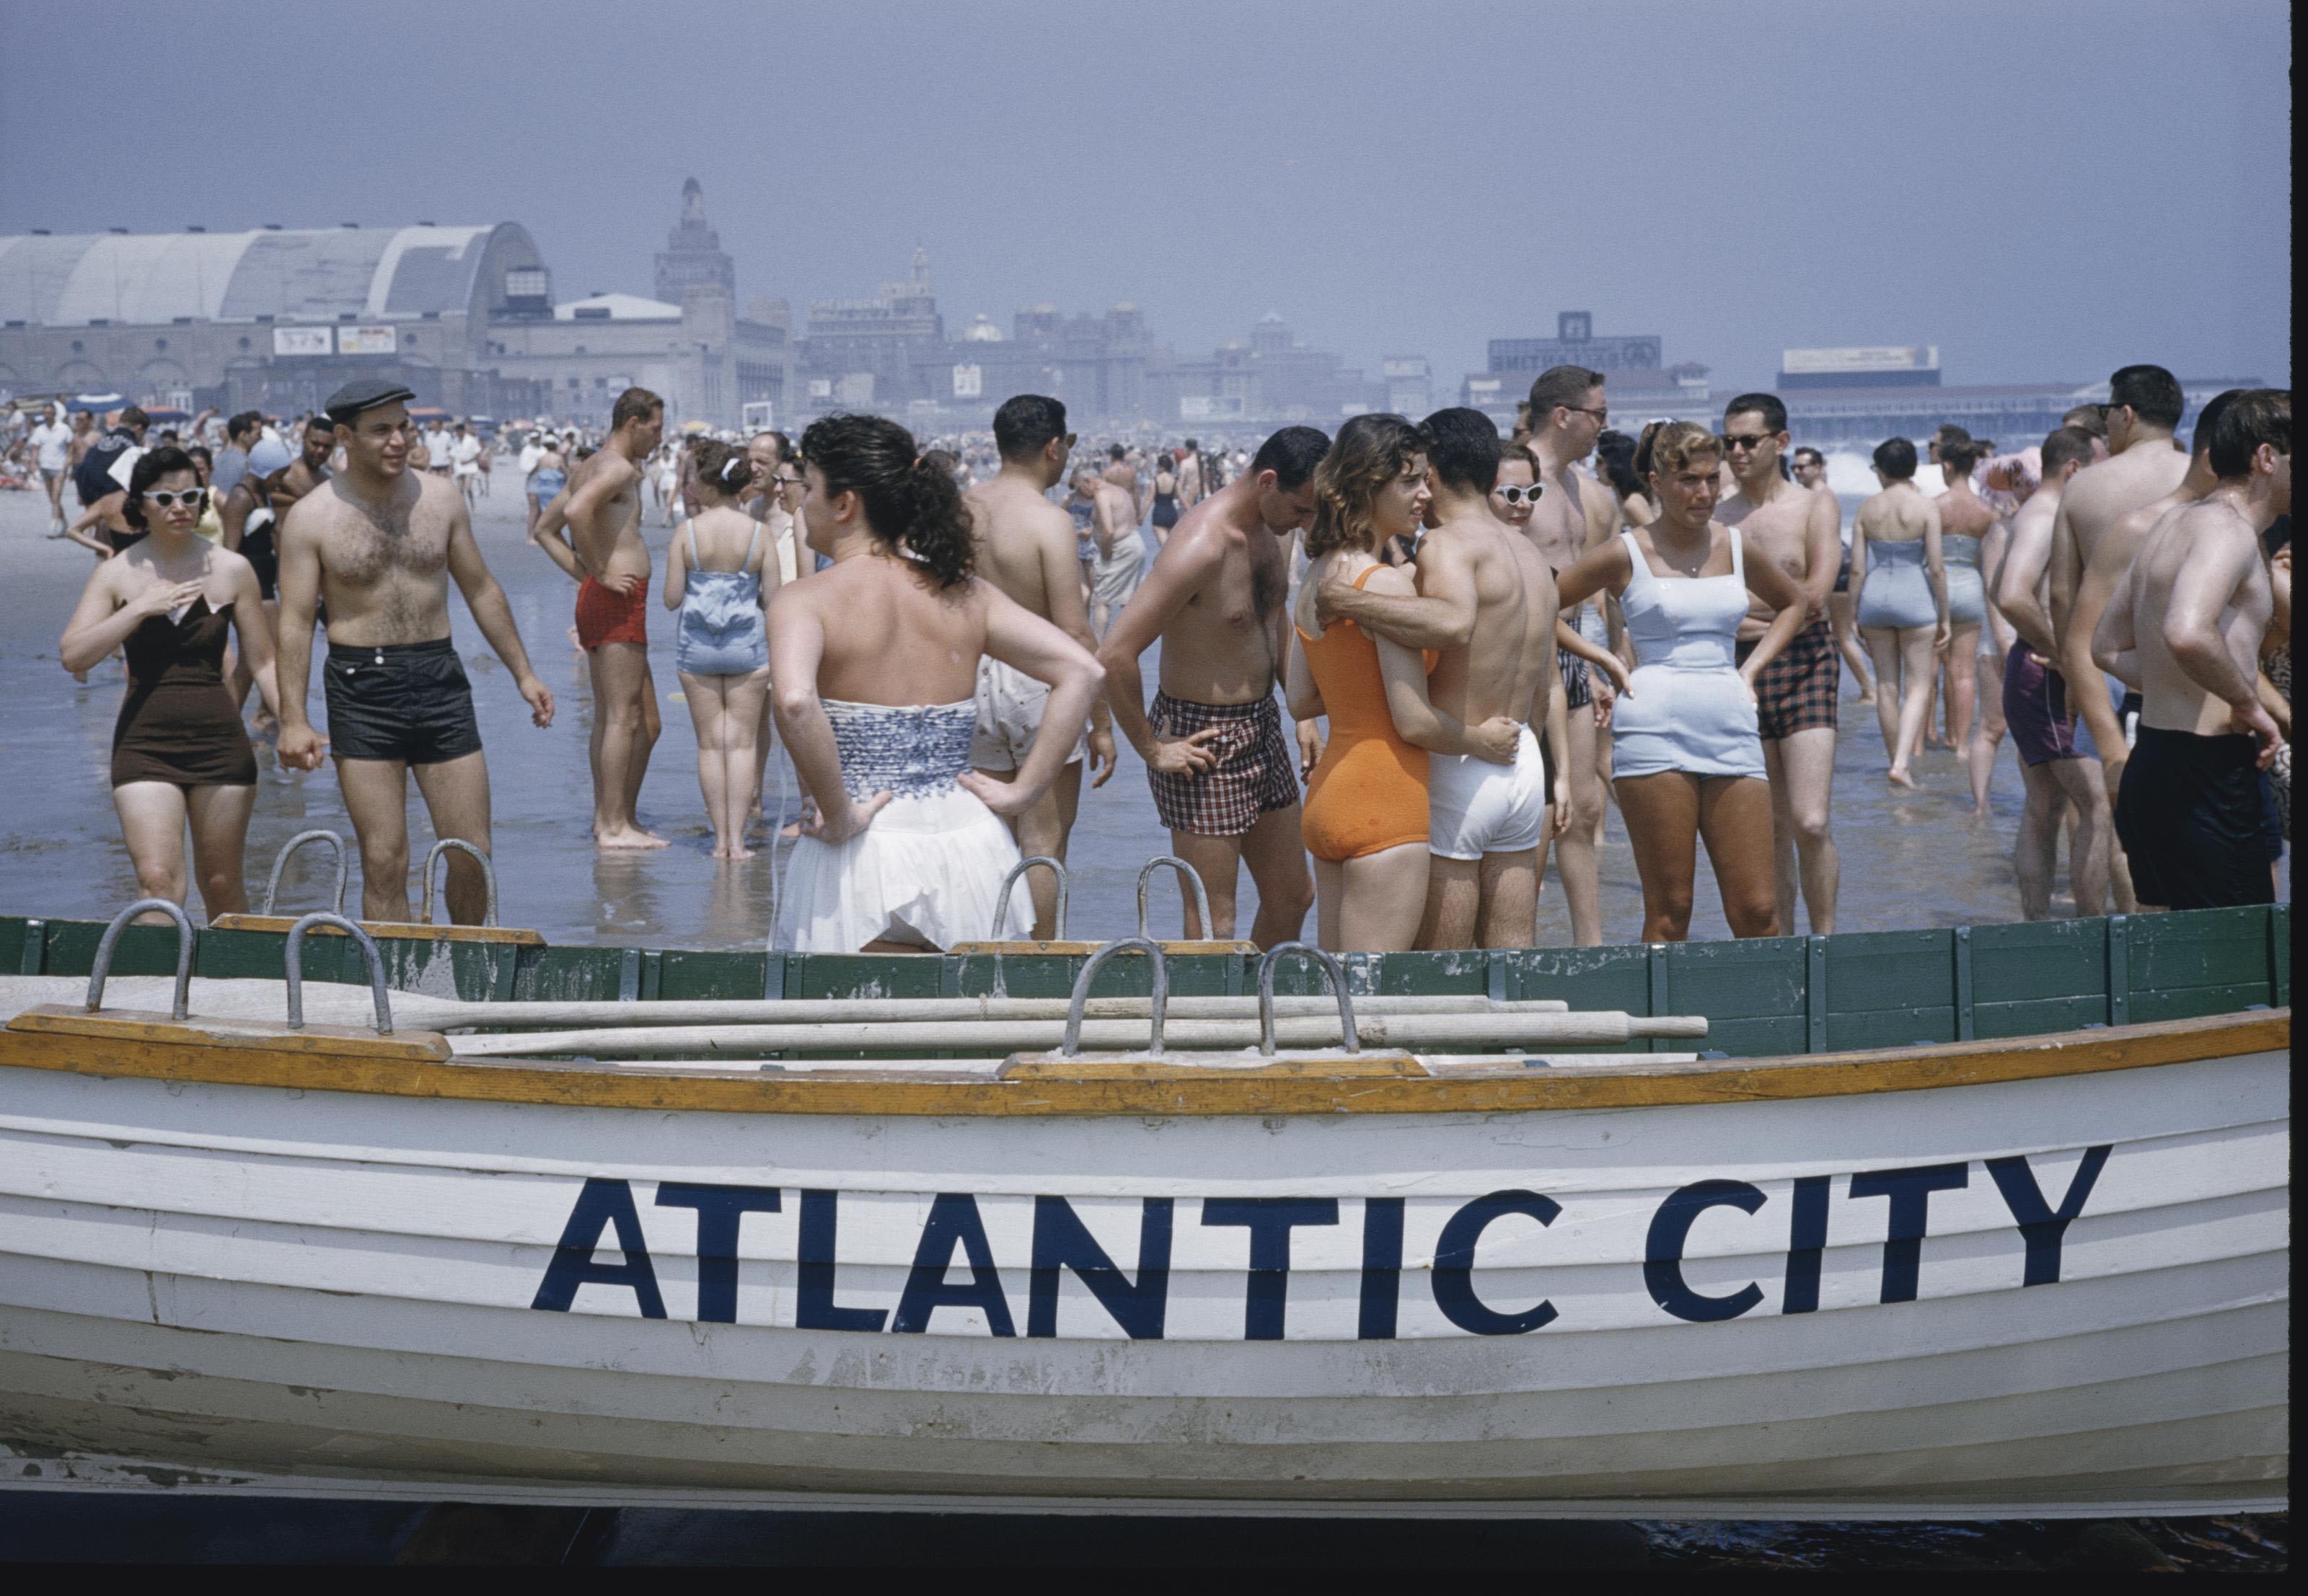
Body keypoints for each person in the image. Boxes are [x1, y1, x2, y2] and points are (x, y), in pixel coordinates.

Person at [770, 413, 1102, 953]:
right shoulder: (963, 593)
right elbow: (1083, 670)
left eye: (808, 487)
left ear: (844, 503)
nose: (800, 501)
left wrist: (839, 814)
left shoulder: (804, 600)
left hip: (860, 851)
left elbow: (794, 701)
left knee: (854, 1024)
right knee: (974, 1022)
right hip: (969, 845)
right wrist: (1024, 791)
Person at [274, 380, 555, 924]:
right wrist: (293, 718)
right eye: (381, 430)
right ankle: (394, 995)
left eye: (404, 426)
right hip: (361, 686)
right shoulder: (312, 518)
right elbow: (294, 620)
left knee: (472, 853)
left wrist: (524, 672)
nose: (398, 440)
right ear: (344, 436)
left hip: (438, 676)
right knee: (385, 859)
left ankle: (470, 976)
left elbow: (481, 588)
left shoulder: (440, 498)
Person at [1313, 410, 1557, 948]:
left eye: (1422, 475)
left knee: (1439, 961)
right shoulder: (1532, 555)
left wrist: (1344, 599)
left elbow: (1452, 622)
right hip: (1523, 758)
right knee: (1512, 946)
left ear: (1436, 473)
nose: (1420, 490)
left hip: (1461, 757)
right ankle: (1516, 1036)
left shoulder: (1445, 546)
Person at [1556, 422, 1807, 942]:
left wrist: (1751, 668)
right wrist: (1603, 657)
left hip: (1731, 719)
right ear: (1656, 480)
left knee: (1759, 910)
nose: (1705, 493)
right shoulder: (1627, 550)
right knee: (1672, 909)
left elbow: (1795, 603)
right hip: (1653, 726)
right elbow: (1539, 606)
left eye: (1713, 480)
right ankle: (1661, 1026)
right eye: (1689, 480)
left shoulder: (1736, 545)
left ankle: (1761, 1022)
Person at [1095, 426, 1326, 947]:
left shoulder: (1276, 530)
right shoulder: (1201, 545)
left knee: (1294, 894)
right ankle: (1204, 1026)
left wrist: (1302, 713)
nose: (1308, 523)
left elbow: (1275, 620)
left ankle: (1256, 1013)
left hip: (1263, 723)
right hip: (1203, 736)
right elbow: (1114, 655)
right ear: (1268, 482)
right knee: (1213, 922)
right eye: (1302, 508)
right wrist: (1152, 750)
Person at [58, 448, 280, 922]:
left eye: (190, 496)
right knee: (158, 880)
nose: (179, 507)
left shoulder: (232, 569)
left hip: (219, 743)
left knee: (221, 884)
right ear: (141, 504)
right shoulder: (117, 572)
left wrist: (296, 723)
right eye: (164, 497)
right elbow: (74, 654)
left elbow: (263, 661)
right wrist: (138, 609)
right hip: (145, 742)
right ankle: (157, 991)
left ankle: (233, 990)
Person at [2095, 389, 2289, 909]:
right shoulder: (2231, 534)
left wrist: (2177, 680)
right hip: (2206, 775)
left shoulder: (2171, 524)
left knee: (2180, 968)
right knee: (2238, 964)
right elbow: (2186, 630)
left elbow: (2108, 647)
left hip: (2154, 761)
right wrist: (2248, 704)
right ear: (2267, 458)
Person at [961, 396, 1115, 940]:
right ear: (1054, 448)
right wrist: (1101, 721)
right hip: (1039, 684)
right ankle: (1043, 964)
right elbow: (1074, 632)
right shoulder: (1048, 522)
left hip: (972, 681)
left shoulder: (961, 509)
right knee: (1044, 841)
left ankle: (986, 954)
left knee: (988, 837)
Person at [1717, 394, 1844, 934]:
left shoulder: (1815, 505)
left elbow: (1815, 594)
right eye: (1730, 442)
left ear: (1781, 442)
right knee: (1771, 827)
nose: (1738, 452)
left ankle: (1827, 939)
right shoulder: (1719, 515)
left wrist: (1753, 619)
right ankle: (1785, 945)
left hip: (1806, 660)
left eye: (1749, 441)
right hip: (1737, 667)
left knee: (1809, 821)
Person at [2050, 366, 2194, 803]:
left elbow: (2061, 596)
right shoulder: (2205, 479)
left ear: (2126, 414)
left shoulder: (2084, 487)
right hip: (2191, 666)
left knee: (2119, 822)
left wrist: (2071, 675)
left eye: (2106, 411)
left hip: (2106, 666)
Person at [1516, 367, 1622, 944]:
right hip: (1528, 662)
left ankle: (1592, 945)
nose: (1605, 426)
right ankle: (1519, 940)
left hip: (1575, 657)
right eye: (1598, 415)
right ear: (1563, 415)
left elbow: (1592, 590)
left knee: (1582, 811)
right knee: (1531, 817)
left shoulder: (1582, 488)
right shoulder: (1516, 482)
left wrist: (1595, 661)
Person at [538, 387, 669, 849]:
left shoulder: (588, 466)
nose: (660, 437)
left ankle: (617, 817)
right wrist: (598, 572)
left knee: (646, 722)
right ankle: (613, 826)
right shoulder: (615, 468)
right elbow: (573, 513)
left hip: (612, 597)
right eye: (656, 427)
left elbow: (544, 530)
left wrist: (589, 576)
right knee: (619, 718)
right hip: (617, 599)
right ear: (633, 423)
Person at [1991, 426, 2113, 917]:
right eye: (2100, 467)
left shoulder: (2031, 515)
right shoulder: (2044, 517)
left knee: (2046, 803)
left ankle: (2038, 925)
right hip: (2045, 672)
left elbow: (2003, 583)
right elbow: (2012, 595)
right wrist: (2061, 652)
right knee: (2099, 802)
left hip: (2033, 667)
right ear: (2075, 469)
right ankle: (2092, 930)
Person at [664, 438, 776, 859]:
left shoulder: (687, 533)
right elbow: (774, 599)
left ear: (708, 485)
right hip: (748, 646)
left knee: (711, 745)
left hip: (698, 648)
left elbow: (672, 598)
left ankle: (719, 842)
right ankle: (740, 842)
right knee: (742, 744)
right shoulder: (759, 533)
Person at [1852, 437, 1949, 788]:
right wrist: (1945, 615)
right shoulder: (1926, 507)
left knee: (1886, 687)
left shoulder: (1867, 508)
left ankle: (1895, 760)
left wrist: (1852, 612)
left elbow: (1859, 570)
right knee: (1919, 685)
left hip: (1875, 596)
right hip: (1915, 596)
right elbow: (1936, 568)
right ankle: (1902, 762)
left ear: (1880, 470)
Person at [1928, 436, 1994, 759]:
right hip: (1970, 585)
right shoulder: (1986, 510)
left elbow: (1926, 556)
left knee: (1928, 671)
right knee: (1964, 672)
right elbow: (1987, 559)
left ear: (1948, 465)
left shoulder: (1935, 506)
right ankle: (1963, 745)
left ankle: (1921, 741)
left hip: (1935, 590)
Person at [1793, 444, 1875, 702]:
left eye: (1802, 467)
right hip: (1836, 563)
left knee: (1842, 634)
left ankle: (1869, 688)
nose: (1796, 471)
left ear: (1817, 468)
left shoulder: (1818, 496)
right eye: (1794, 467)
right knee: (1836, 631)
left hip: (1836, 567)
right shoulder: (1816, 492)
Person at [1085, 459, 1148, 635]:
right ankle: (1128, 644)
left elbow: (1108, 531)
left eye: (1081, 487)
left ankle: (1098, 649)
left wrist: (1105, 556)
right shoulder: (1120, 490)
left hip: (1121, 547)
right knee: (1127, 599)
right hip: (1135, 543)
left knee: (1101, 600)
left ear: (1089, 481)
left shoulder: (1101, 494)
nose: (1084, 494)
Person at [29, 402, 73, 534]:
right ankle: (65, 525)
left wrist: (66, 466)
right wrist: (33, 463)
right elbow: (35, 449)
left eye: (49, 413)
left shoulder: (64, 429)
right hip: (45, 466)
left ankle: (53, 525)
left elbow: (70, 449)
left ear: (54, 414)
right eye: (45, 413)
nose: (47, 416)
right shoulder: (40, 430)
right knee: (53, 499)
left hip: (59, 466)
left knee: (56, 497)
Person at [1149, 454, 1183, 546]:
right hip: (1172, 514)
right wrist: (1193, 513)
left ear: (1161, 466)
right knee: (1172, 547)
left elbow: (1149, 500)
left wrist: (1140, 517)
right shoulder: (1175, 481)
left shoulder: (1155, 481)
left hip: (1159, 515)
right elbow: (1182, 499)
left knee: (1164, 549)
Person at [451, 422, 484, 507]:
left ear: (463, 431)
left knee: (468, 488)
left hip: (470, 467)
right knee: (460, 490)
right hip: (459, 467)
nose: (458, 434)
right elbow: (452, 455)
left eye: (459, 432)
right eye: (456, 432)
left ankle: (473, 505)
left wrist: (468, 461)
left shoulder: (471, 440)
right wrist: (451, 467)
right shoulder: (455, 441)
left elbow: (477, 454)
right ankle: (463, 508)